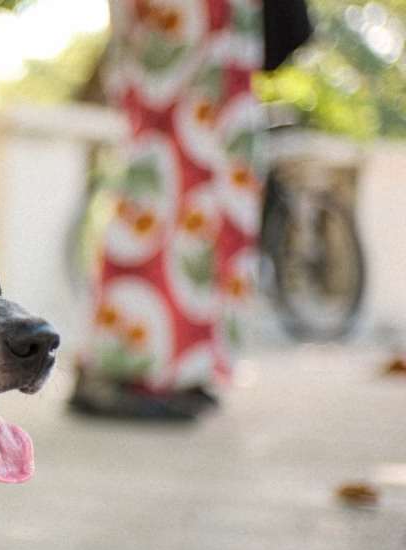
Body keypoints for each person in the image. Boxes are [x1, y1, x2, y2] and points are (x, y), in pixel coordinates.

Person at [70, 0, 311, 419]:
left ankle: (179, 368)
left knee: (192, 214)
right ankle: (132, 372)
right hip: (193, 60)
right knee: (168, 207)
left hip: (197, 65)